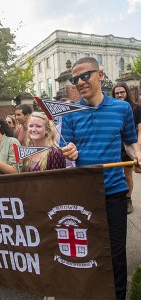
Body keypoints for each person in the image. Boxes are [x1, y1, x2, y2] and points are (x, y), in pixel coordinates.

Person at [61, 57, 141, 299]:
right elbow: (66, 153)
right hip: (84, 194)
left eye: (85, 75)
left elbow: (129, 142)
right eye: (75, 79)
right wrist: (70, 153)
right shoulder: (70, 114)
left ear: (101, 75)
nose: (80, 82)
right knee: (90, 251)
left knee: (116, 253)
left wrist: (138, 155)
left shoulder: (122, 108)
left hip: (115, 191)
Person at [112, 82, 141, 214]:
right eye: (116, 93)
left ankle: (128, 200)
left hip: (129, 144)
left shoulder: (136, 108)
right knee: (115, 174)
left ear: (127, 92)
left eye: (121, 92)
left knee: (128, 174)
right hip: (115, 146)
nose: (119, 95)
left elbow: (140, 129)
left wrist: (138, 149)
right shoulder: (112, 109)